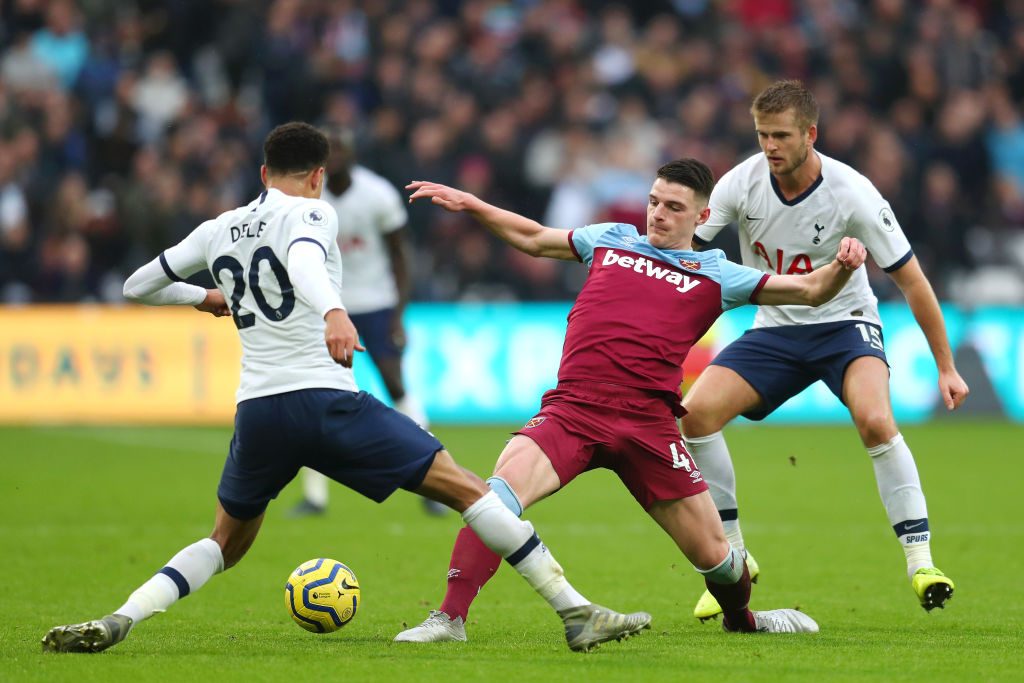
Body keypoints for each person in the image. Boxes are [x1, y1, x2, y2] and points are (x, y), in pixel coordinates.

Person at [40, 122, 651, 655]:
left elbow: (136, 285)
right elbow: (305, 261)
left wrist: (203, 296)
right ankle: (576, 612)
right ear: (317, 176)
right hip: (323, 399)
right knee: (467, 488)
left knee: (225, 541)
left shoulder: (219, 228)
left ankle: (121, 616)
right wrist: (335, 311)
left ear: (261, 172)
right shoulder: (313, 210)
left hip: (257, 411)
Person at [392, 158, 868, 643]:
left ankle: (743, 619)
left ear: (701, 218)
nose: (658, 214)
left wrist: (842, 267)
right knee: (493, 500)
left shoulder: (719, 274)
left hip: (649, 425)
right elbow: (535, 238)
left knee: (720, 560)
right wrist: (473, 205)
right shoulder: (612, 239)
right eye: (654, 201)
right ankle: (449, 619)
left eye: (674, 207)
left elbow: (810, 291)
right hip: (574, 409)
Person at [681, 80, 969, 623]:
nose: (769, 146)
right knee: (694, 416)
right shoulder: (740, 183)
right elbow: (686, 258)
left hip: (845, 326)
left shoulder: (853, 193)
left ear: (810, 134)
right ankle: (733, 556)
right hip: (775, 330)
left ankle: (921, 563)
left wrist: (946, 366)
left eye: (781, 136)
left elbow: (913, 282)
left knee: (876, 422)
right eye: (762, 134)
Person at [289, 126, 445, 518]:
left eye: (341, 149)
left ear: (353, 154)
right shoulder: (304, 196)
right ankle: (315, 497)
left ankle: (437, 478)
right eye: (329, 151)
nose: (335, 156)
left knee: (395, 384)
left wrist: (399, 314)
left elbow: (399, 255)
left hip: (375, 303)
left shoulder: (377, 195)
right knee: (314, 392)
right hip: (326, 305)